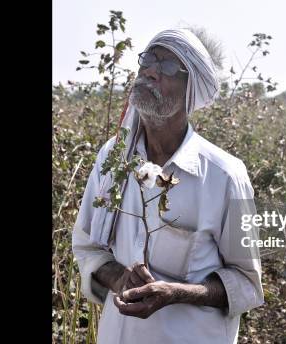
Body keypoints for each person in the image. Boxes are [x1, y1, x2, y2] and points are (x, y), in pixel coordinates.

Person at [72, 28, 264, 343]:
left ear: (190, 93)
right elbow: (86, 247)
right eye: (148, 59)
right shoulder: (114, 157)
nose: (150, 71)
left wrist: (174, 292)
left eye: (169, 67)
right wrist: (120, 278)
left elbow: (246, 283)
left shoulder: (224, 176)